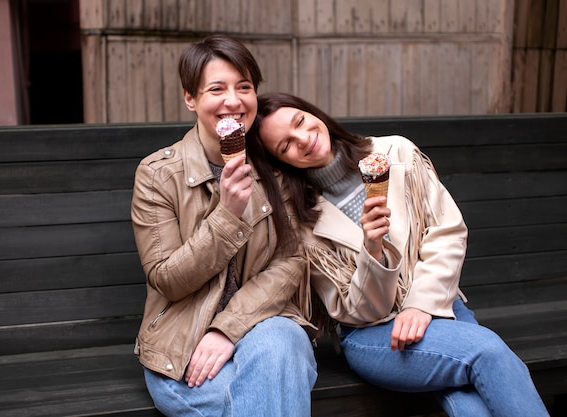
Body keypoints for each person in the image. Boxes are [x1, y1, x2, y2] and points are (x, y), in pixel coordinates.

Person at [247, 92, 550, 417]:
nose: (304, 139)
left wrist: (420, 304)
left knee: (469, 401)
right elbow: (355, 311)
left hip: (441, 307)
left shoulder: (395, 152)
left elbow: (446, 230)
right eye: (286, 145)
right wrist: (372, 249)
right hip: (374, 335)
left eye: (301, 121)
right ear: (281, 162)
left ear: (312, 112)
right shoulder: (301, 221)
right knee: (487, 351)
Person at [130, 38, 316, 416]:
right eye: (216, 89)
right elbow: (167, 278)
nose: (233, 100)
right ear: (190, 99)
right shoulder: (158, 175)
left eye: (244, 87)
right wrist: (227, 214)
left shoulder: (275, 172)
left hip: (263, 329)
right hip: (185, 350)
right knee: (271, 394)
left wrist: (227, 329)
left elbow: (291, 261)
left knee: (280, 343)